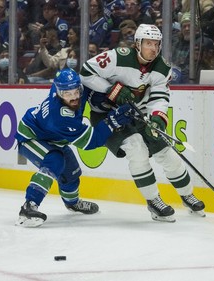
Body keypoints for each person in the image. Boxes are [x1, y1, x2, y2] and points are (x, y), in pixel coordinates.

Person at [80, 24, 206, 222]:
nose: (153, 49)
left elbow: (159, 98)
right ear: (137, 44)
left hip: (137, 113)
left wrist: (157, 118)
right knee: (136, 148)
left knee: (168, 153)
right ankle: (153, 200)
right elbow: (85, 73)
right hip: (106, 115)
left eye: (156, 44)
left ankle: (187, 194)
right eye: (148, 43)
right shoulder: (116, 57)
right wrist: (110, 89)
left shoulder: (162, 68)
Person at [14, 68, 134, 227]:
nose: (74, 97)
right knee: (55, 161)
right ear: (58, 93)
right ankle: (28, 208)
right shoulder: (60, 117)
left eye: (75, 92)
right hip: (31, 137)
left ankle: (72, 203)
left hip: (54, 138)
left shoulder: (73, 86)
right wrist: (113, 121)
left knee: (72, 172)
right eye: (67, 94)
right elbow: (92, 141)